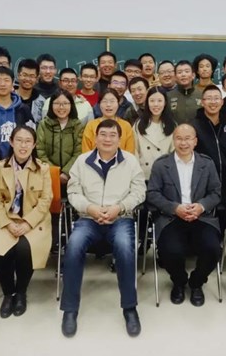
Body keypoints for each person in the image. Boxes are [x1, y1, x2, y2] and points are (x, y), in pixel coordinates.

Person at [61, 119, 146, 338]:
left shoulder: (130, 161)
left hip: (121, 218)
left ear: (119, 139)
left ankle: (130, 308)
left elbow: (139, 192)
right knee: (73, 246)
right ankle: (70, 309)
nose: (107, 139)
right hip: (88, 218)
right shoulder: (82, 161)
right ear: (95, 138)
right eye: (103, 135)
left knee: (125, 248)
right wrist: (90, 208)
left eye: (112, 135)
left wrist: (119, 207)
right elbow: (73, 192)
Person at [146, 124, 222, 306]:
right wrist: (175, 208)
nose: (183, 143)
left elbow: (216, 193)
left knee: (213, 249)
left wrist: (201, 206)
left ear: (195, 141)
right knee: (169, 250)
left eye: (188, 138)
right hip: (171, 217)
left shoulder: (207, 163)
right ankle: (179, 282)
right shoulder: (161, 164)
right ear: (173, 141)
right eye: (179, 138)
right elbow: (152, 193)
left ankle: (196, 283)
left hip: (201, 217)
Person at [0, 126, 53, 318]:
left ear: (34, 144)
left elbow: (45, 200)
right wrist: (7, 223)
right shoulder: (0, 167)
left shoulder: (43, 168)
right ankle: (9, 293)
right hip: (8, 219)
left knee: (25, 249)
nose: (23, 145)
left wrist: (27, 224)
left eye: (28, 141)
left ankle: (21, 292)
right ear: (11, 142)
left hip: (35, 220)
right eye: (19, 140)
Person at [193, 85, 226, 206]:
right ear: (202, 102)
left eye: (216, 98)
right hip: (202, 187)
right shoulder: (194, 127)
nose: (213, 102)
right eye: (209, 98)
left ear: (222, 102)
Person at [36, 90, 84, 185]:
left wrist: (66, 172)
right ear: (51, 105)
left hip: (72, 176)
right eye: (57, 103)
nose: (61, 107)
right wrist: (54, 172)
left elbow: (79, 152)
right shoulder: (44, 125)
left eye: (65, 103)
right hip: (47, 175)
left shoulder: (78, 125)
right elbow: (40, 151)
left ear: (71, 105)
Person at [133, 87, 176, 180]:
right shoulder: (139, 124)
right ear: (147, 103)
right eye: (152, 101)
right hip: (144, 174)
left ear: (165, 103)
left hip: (165, 175)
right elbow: (135, 151)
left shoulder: (172, 125)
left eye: (160, 101)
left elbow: (174, 152)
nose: (156, 104)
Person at [83, 89, 135, 154]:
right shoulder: (91, 125)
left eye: (112, 101)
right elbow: (86, 152)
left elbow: (130, 153)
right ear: (99, 104)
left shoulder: (126, 126)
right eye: (104, 101)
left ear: (118, 103)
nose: (108, 105)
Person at [16, 59, 45, 123]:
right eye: (24, 75)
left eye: (32, 76)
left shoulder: (42, 102)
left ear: (37, 79)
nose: (28, 79)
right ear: (18, 75)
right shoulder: (9, 97)